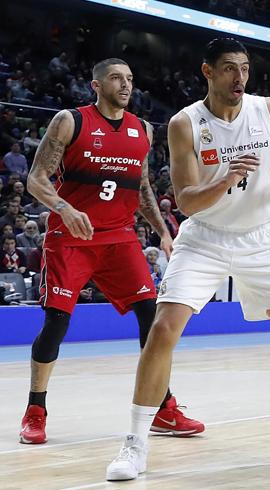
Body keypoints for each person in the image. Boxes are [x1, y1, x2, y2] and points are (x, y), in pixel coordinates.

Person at [105, 38, 270, 481]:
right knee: (162, 330)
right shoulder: (185, 123)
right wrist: (228, 178)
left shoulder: (267, 109)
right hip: (205, 239)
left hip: (261, 238)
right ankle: (134, 444)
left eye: (245, 68)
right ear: (207, 72)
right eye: (230, 68)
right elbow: (187, 200)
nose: (240, 78)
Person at [19, 58, 199, 447]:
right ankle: (36, 410)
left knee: (153, 319)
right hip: (71, 237)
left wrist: (163, 231)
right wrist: (65, 209)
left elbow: (144, 187)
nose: (126, 85)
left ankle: (162, 408)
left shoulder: (143, 129)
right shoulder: (71, 121)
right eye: (117, 78)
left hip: (119, 238)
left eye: (130, 79)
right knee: (57, 324)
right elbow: (36, 179)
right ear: (97, 85)